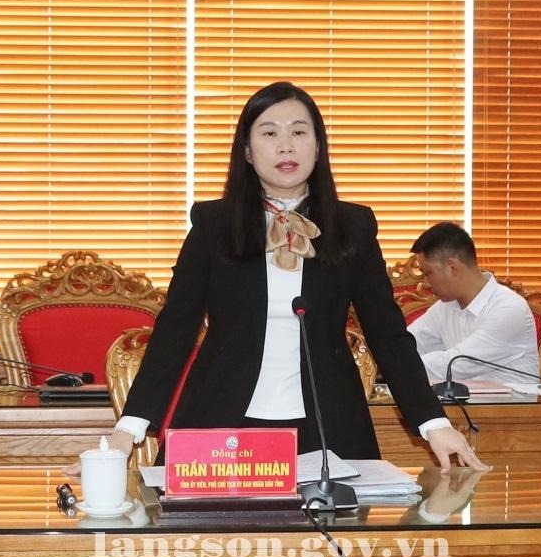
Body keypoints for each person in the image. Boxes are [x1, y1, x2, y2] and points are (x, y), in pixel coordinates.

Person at [103, 81, 486, 472]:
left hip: (327, 424)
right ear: (247, 151)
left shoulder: (352, 227)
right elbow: (176, 329)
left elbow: (388, 335)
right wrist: (129, 429)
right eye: (270, 133)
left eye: (299, 132)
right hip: (224, 420)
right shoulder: (212, 226)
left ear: (318, 148)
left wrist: (433, 423)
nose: (286, 146)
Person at [407, 222, 540, 390]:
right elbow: (408, 343)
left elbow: (459, 364)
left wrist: (396, 365)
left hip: (513, 406)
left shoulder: (510, 308)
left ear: (453, 268)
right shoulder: (445, 308)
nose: (425, 284)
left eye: (428, 273)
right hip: (461, 405)